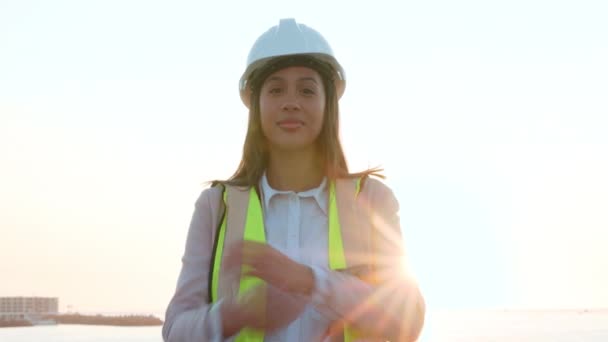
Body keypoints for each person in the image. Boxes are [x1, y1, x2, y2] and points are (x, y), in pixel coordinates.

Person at [162, 18, 425, 342]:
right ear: (256, 105)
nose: (291, 102)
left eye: (306, 89)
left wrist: (310, 282)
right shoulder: (216, 206)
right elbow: (175, 332)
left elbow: (407, 321)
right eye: (275, 89)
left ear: (327, 104)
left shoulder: (372, 200)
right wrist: (236, 313)